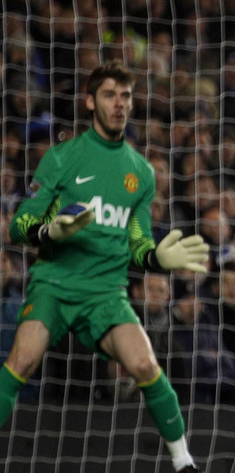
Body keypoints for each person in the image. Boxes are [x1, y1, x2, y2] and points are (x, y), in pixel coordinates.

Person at [3, 61, 209, 473]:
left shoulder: (141, 172)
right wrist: (50, 233)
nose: (119, 104)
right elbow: (18, 226)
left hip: (105, 294)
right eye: (110, 95)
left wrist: (156, 259)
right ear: (90, 101)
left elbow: (137, 241)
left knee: (145, 365)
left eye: (126, 96)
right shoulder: (63, 158)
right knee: (22, 361)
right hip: (55, 284)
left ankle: (184, 462)